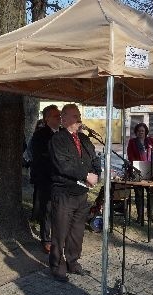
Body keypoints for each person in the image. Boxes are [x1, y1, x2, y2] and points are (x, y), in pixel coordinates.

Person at [48, 104, 101, 282]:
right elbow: (63, 165)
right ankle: (57, 265)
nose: (78, 118)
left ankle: (73, 261)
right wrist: (85, 175)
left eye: (79, 115)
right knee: (60, 232)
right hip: (64, 193)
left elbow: (95, 159)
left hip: (81, 193)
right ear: (63, 119)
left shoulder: (84, 139)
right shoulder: (58, 139)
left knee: (77, 232)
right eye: (74, 115)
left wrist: (96, 174)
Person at [30, 105, 61, 254]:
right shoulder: (40, 135)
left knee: (59, 209)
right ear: (47, 118)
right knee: (47, 209)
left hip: (60, 179)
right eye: (56, 116)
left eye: (60, 115)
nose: (59, 118)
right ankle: (46, 238)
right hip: (45, 178)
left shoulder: (63, 133)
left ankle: (58, 237)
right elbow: (39, 156)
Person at [127, 122, 153, 223]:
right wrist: (137, 166)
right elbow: (130, 156)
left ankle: (150, 215)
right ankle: (140, 216)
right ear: (136, 132)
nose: (141, 132)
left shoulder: (150, 141)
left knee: (151, 192)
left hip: (151, 170)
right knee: (139, 194)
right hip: (137, 170)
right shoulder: (132, 142)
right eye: (139, 131)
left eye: (143, 131)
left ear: (146, 132)